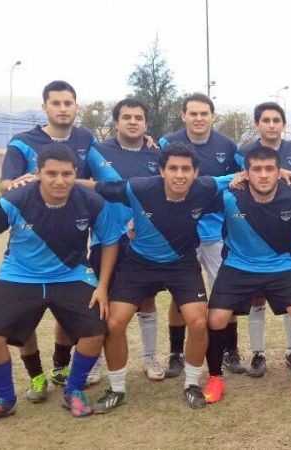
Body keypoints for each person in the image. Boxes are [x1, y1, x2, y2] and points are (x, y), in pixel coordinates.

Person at [87, 143, 233, 412]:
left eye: (186, 169)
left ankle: (191, 384)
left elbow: (243, 176)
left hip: (182, 264)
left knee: (199, 321)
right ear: (162, 171)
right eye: (173, 168)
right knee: (115, 322)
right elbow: (95, 186)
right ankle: (117, 389)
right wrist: (55, 180)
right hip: (139, 264)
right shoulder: (139, 188)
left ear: (195, 172)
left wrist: (282, 172)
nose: (179, 175)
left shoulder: (206, 187)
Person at [0, 143, 120, 420]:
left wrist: (101, 287)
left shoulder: (90, 201)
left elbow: (110, 242)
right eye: (51, 174)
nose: (59, 181)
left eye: (66, 174)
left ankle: (73, 390)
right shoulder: (15, 199)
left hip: (71, 274)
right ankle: (4, 397)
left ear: (76, 173)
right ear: (37, 173)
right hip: (20, 274)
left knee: (95, 332)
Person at [203, 146, 291, 403]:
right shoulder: (230, 195)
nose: (264, 175)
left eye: (270, 169)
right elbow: (193, 191)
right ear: (246, 173)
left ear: (279, 172)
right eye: (256, 170)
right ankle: (215, 377)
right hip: (238, 265)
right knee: (216, 318)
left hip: (280, 265)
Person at [0, 80, 96, 397]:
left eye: (68, 103)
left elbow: (105, 171)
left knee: (72, 317)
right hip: (29, 240)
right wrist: (25, 183)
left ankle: (61, 368)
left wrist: (146, 145)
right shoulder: (22, 141)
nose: (63, 108)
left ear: (76, 106)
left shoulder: (85, 138)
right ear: (45, 107)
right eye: (56, 103)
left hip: (69, 247)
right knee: (22, 319)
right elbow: (7, 185)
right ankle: (35, 376)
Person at [158, 93, 243, 378]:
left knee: (225, 291)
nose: (198, 118)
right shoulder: (167, 143)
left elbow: (242, 179)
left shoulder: (228, 146)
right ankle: (175, 353)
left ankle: (231, 350)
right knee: (180, 295)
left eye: (204, 113)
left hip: (217, 230)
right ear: (183, 116)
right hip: (180, 231)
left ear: (212, 116)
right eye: (192, 113)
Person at [86, 98, 164, 381]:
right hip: (105, 239)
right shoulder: (95, 153)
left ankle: (150, 358)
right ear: (116, 122)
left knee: (146, 300)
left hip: (144, 239)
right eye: (127, 117)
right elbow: (78, 186)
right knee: (100, 299)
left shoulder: (158, 154)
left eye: (139, 117)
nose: (133, 121)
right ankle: (92, 360)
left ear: (146, 124)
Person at [235, 101, 291, 376]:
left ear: (284, 124)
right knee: (256, 299)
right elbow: (231, 181)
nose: (272, 124)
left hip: (290, 239)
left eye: (277, 120)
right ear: (257, 124)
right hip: (251, 238)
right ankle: (258, 354)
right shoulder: (242, 153)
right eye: (266, 120)